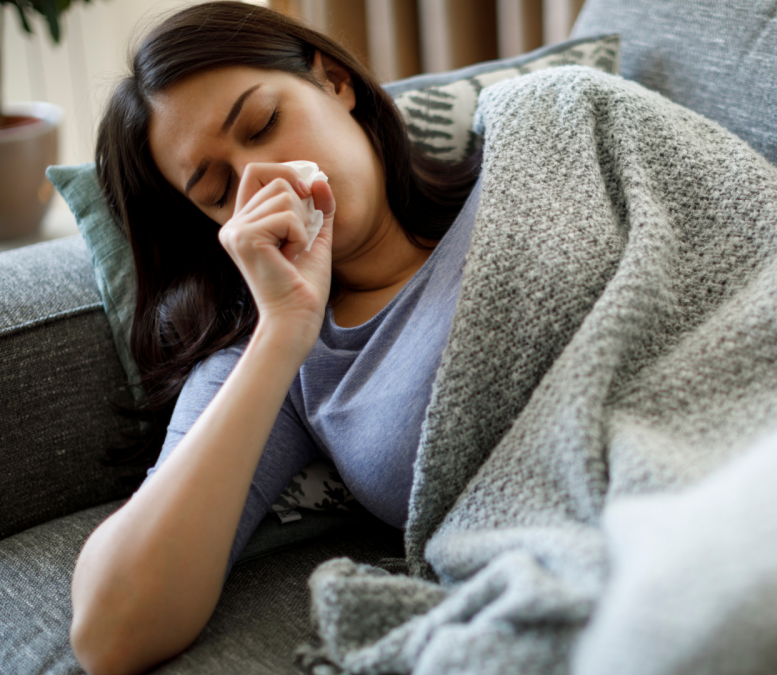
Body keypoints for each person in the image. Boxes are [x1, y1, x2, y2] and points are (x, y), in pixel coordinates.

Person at [68, 3, 482, 673]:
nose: (264, 178)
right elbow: (109, 630)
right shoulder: (276, 355)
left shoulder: (530, 152)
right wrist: (284, 331)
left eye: (263, 124)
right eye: (219, 189)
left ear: (334, 81)